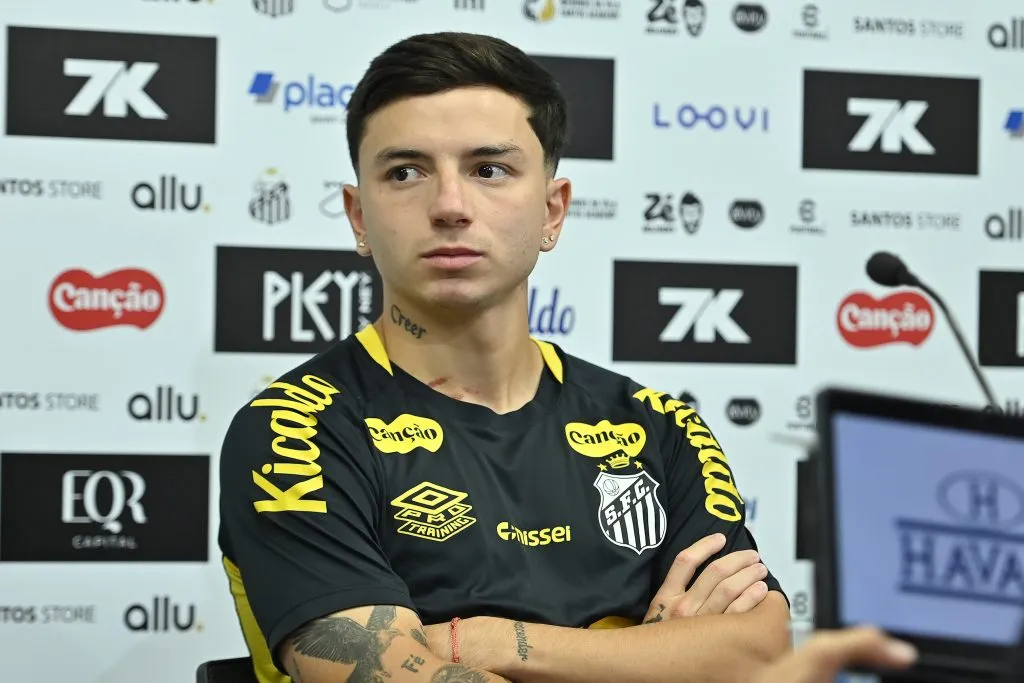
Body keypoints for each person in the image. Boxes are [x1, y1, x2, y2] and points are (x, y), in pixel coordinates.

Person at [217, 31, 790, 683]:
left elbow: (764, 651)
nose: (450, 206)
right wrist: (656, 659)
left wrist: (487, 641)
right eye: (405, 172)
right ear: (357, 216)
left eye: (489, 169)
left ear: (553, 211)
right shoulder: (296, 430)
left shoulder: (658, 426)